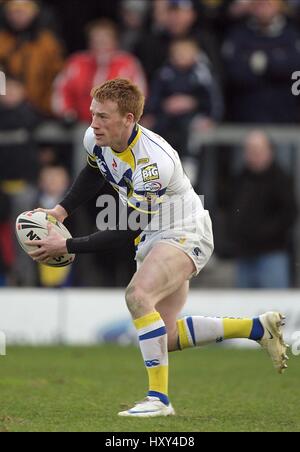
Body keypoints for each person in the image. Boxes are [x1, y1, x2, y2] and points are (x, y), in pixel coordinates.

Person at [26, 79, 288, 417]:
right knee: (164, 336)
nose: (93, 123)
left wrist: (68, 244)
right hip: (153, 234)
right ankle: (257, 328)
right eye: (93, 114)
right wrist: (60, 211)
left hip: (184, 230)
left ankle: (158, 400)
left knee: (138, 296)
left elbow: (125, 229)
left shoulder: (154, 163)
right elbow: (94, 171)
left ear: (129, 119)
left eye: (103, 116)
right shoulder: (96, 138)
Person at [230, 131, 298, 289]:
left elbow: (289, 215)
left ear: (270, 151)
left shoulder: (281, 180)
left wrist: (263, 234)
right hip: (244, 253)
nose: (254, 155)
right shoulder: (240, 179)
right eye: (250, 150)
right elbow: (231, 212)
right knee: (241, 309)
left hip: (272, 254)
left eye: (258, 150)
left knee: (275, 308)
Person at [52, 18, 147, 123]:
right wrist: (67, 112)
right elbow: (61, 90)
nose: (100, 43)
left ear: (115, 41)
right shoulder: (76, 62)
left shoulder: (128, 64)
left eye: (105, 39)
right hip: (77, 123)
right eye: (96, 40)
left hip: (116, 125)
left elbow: (138, 95)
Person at [0, 0, 64, 115]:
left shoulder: (48, 43)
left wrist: (46, 107)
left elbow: (58, 77)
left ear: (35, 13)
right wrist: (4, 90)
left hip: (40, 109)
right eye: (14, 11)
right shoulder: (2, 40)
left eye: (25, 11)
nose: (19, 15)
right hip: (5, 107)